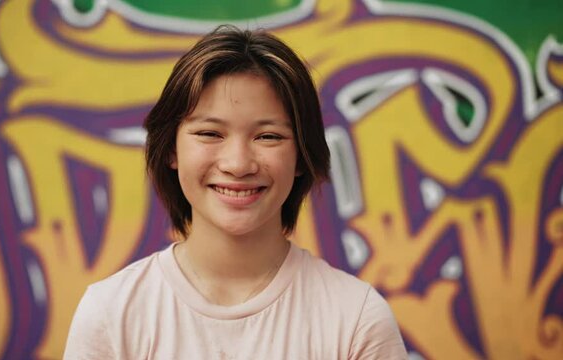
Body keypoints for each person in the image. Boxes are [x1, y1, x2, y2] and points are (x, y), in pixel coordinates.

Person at [64, 25, 406, 359]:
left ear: (302, 155)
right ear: (170, 149)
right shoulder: (111, 314)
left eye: (268, 136)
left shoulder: (357, 319)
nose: (239, 164)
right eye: (210, 134)